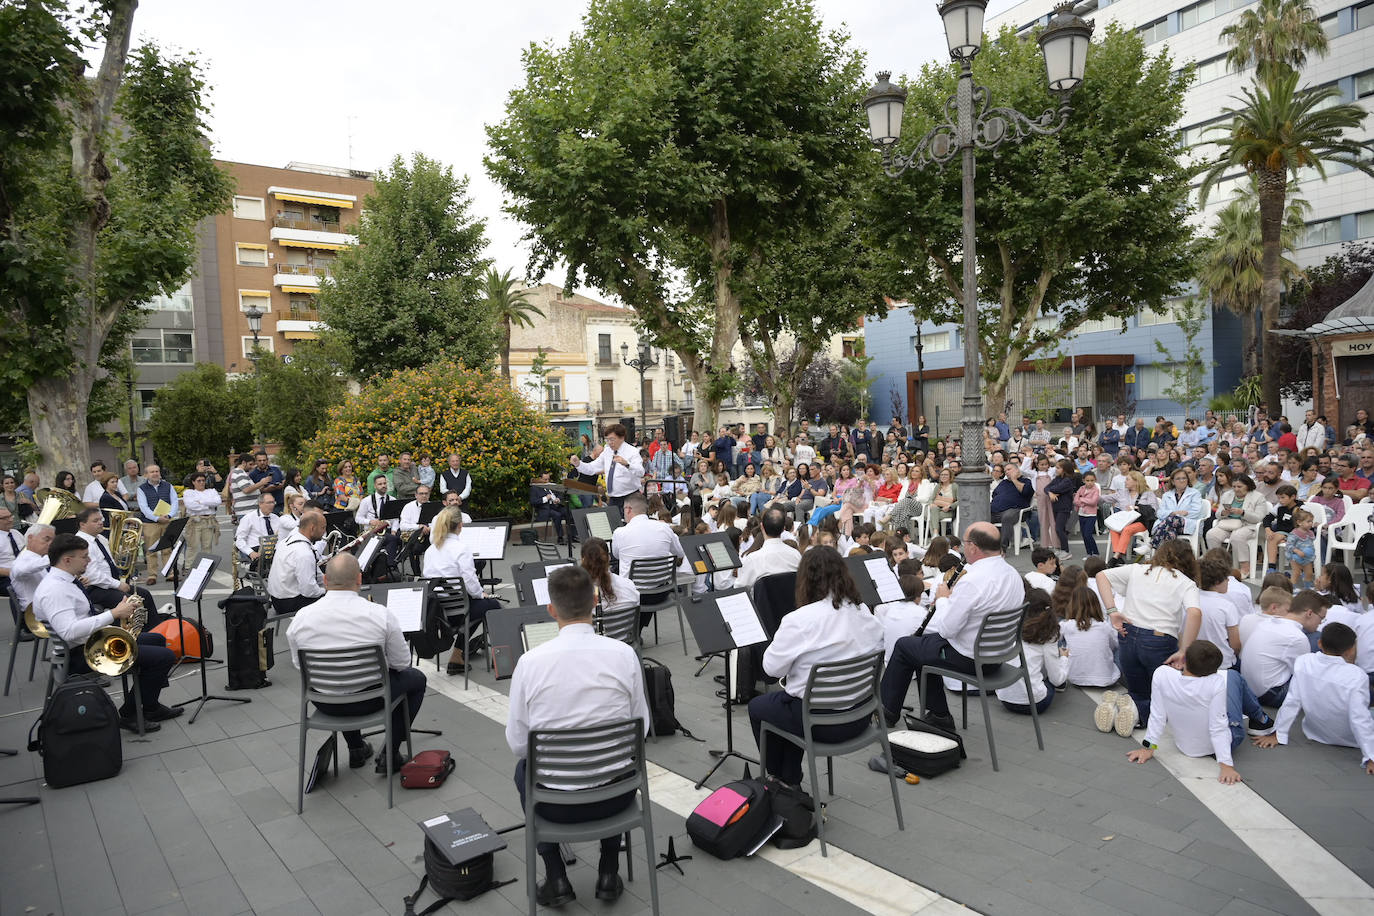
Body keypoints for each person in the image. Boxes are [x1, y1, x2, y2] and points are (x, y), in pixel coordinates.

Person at [504, 565, 648, 906]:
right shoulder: (624, 654)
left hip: (555, 806)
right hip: (618, 796)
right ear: (595, 602)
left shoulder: (529, 662)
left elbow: (517, 744)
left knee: (522, 771)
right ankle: (609, 871)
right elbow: (640, 727)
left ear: (551, 610)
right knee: (620, 761)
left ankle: (555, 876)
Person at [748, 546, 883, 783]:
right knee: (790, 704)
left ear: (804, 580)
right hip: (861, 715)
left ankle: (781, 779)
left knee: (761, 707)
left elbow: (770, 669)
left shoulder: (799, 620)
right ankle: (789, 779)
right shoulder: (864, 612)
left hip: (820, 725)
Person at [287, 553, 426, 774]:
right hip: (372, 700)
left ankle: (356, 748)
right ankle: (390, 754)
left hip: (324, 702)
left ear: (325, 580)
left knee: (339, 678)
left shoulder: (300, 619)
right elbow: (402, 663)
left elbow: (299, 667)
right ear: (359, 580)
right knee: (417, 679)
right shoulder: (380, 614)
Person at [879, 523, 1024, 729]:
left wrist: (944, 598)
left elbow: (947, 629)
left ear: (973, 547)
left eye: (965, 544)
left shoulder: (973, 581)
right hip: (999, 653)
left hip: (971, 658)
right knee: (920, 647)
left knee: (905, 646)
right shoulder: (1012, 574)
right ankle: (937, 714)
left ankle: (888, 713)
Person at [34, 534, 180, 729]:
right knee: (164, 657)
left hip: (91, 641)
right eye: (84, 556)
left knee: (156, 639)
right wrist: (113, 613)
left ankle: (150, 705)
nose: (89, 560)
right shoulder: (56, 590)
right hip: (82, 653)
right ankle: (129, 714)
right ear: (67, 560)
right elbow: (69, 631)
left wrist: (116, 615)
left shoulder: (64, 580)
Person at [1094, 539, 1203, 735]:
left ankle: (1125, 707)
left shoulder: (1137, 569)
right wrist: (1184, 650)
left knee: (1137, 688)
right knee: (1163, 692)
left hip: (1129, 632)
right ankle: (1137, 713)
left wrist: (1112, 611)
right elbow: (1195, 613)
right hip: (1159, 639)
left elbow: (1101, 575)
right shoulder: (1186, 583)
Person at [1252, 623, 1374, 773]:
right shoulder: (1357, 675)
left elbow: (1292, 701)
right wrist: (1371, 756)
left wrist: (1279, 733)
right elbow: (1360, 719)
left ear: (1320, 643)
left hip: (1315, 732)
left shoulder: (1304, 662)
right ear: (1350, 650)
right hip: (1351, 739)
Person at [1126, 641, 1243, 784]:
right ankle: (1262, 721)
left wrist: (1148, 748)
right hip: (1217, 744)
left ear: (1184, 659)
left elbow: (1158, 715)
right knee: (1234, 677)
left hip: (1184, 745)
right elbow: (1218, 726)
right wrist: (1226, 766)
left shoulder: (1162, 674)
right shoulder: (1216, 682)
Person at [422, 507, 501, 674]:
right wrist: (482, 594)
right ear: (460, 526)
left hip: (437, 612)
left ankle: (457, 656)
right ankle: (500, 657)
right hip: (457, 613)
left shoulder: (431, 549)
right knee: (493, 606)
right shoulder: (461, 548)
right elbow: (470, 581)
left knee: (478, 606)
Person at [74, 507, 158, 621]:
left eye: (100, 519)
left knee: (145, 594)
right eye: (95, 521)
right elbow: (93, 576)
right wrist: (117, 584)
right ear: (82, 524)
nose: (100, 523)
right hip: (95, 588)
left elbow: (109, 563)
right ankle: (136, 634)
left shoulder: (100, 538)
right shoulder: (81, 542)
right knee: (132, 602)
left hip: (108, 584)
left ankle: (154, 627)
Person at [1240, 588, 1321, 707]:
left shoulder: (1261, 622)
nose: (1290, 614)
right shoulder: (1295, 636)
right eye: (1288, 610)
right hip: (1271, 695)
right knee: (1316, 637)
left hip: (1250, 689)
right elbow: (1301, 674)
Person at [610, 494, 684, 622]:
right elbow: (680, 552)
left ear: (628, 509)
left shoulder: (620, 532)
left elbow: (616, 555)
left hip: (632, 594)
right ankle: (638, 629)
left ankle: (630, 631)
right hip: (660, 592)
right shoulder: (664, 528)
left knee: (612, 575)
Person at [995, 587, 1068, 715]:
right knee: (1052, 681)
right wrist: (1064, 659)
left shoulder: (1012, 625)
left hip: (1004, 698)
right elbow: (1056, 679)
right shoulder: (1048, 635)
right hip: (1036, 704)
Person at [267, 508, 327, 617]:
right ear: (312, 528)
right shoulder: (303, 552)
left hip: (276, 598)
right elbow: (308, 590)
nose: (324, 532)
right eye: (323, 528)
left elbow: (316, 572)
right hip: (288, 602)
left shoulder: (287, 540)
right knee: (334, 602)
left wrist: (328, 582)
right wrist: (326, 591)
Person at [1059, 583, 1120, 687]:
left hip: (1074, 678)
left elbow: (1053, 641)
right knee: (1117, 645)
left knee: (1062, 640)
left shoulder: (1066, 625)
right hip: (1107, 679)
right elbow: (1115, 645)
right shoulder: (1104, 626)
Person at [572, 424, 644, 508]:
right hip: (613, 498)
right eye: (607, 440)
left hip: (630, 496)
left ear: (622, 438)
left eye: (612, 439)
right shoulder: (607, 451)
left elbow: (641, 472)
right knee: (612, 520)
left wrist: (627, 464)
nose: (609, 443)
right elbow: (592, 468)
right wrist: (578, 464)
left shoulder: (632, 451)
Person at [736, 508, 801, 589]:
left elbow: (740, 588)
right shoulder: (796, 555)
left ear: (762, 527)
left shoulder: (753, 559)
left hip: (760, 601)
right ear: (783, 529)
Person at [135, 464, 178, 585]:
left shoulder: (168, 486)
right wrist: (156, 518)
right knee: (151, 550)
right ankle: (152, 575)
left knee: (167, 549)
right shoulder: (141, 489)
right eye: (152, 472)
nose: (155, 473)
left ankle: (170, 573)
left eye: (157, 471)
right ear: (146, 475)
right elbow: (144, 507)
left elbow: (174, 502)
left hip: (167, 521)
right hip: (150, 523)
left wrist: (169, 516)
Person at [579, 536, 639, 616]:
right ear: (609, 558)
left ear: (583, 560)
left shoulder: (574, 596)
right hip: (624, 628)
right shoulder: (629, 586)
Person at [181, 471, 223, 566]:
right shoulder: (189, 492)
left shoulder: (211, 491)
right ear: (193, 482)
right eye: (198, 481)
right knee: (192, 545)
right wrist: (208, 505)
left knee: (207, 545)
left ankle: (206, 566)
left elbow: (217, 501)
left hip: (208, 520)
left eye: (203, 480)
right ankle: (189, 566)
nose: (201, 483)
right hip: (195, 521)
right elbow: (190, 505)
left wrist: (201, 502)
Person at [235, 494, 280, 565]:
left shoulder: (276, 518)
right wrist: (250, 552)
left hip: (273, 548)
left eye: (273, 502)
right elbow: (239, 540)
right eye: (269, 503)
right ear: (260, 504)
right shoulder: (249, 518)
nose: (272, 505)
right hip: (257, 548)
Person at [531, 472, 572, 543]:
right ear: (540, 479)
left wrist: (558, 499)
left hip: (554, 505)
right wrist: (546, 498)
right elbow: (533, 501)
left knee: (567, 512)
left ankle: (572, 535)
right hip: (543, 508)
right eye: (545, 480)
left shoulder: (551, 485)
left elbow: (560, 494)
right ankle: (560, 537)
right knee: (557, 515)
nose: (547, 481)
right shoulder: (535, 488)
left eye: (548, 479)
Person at [1285, 508, 1318, 590]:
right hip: (1296, 557)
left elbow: (1310, 544)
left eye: (1311, 521)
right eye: (1308, 521)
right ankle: (1292, 588)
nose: (1311, 524)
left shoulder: (1310, 533)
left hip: (1307, 557)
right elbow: (1288, 545)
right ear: (1299, 522)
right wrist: (1297, 551)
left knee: (1309, 573)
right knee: (1296, 573)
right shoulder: (1294, 533)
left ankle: (1307, 588)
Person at [1073, 469, 1102, 558]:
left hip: (1091, 515)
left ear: (1095, 480)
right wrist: (1084, 501)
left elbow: (1093, 502)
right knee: (1084, 535)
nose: (1090, 483)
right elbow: (1075, 501)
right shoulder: (1081, 488)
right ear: (1083, 481)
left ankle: (1095, 552)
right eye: (1087, 480)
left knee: (1088, 534)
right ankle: (1089, 553)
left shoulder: (1095, 490)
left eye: (1092, 480)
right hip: (1081, 514)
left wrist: (1081, 500)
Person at [224, 453, 257, 523]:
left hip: (247, 511)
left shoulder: (241, 473)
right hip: (245, 512)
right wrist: (262, 483)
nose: (252, 467)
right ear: (243, 463)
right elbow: (246, 489)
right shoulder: (238, 472)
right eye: (250, 464)